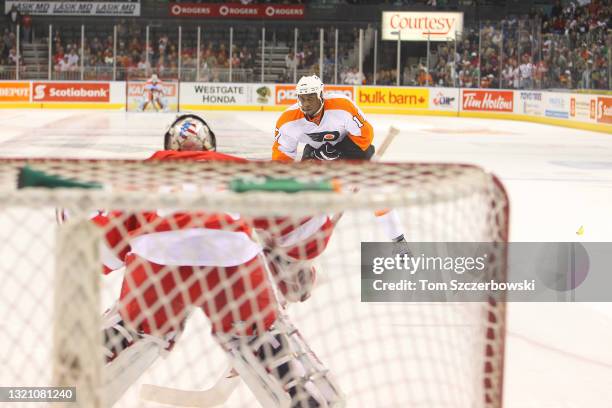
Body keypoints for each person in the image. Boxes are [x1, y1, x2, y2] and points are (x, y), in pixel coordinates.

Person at [96, 113, 344, 408]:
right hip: (233, 258)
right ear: (210, 145)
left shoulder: (148, 170)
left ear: (169, 145)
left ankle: (109, 349)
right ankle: (282, 366)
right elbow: (302, 220)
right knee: (261, 334)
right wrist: (295, 267)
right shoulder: (234, 167)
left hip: (157, 259)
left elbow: (103, 247)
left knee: (131, 322)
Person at [270, 75, 410, 285]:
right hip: (316, 156)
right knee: (311, 206)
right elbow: (281, 160)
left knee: (378, 195)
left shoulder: (342, 106)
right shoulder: (288, 121)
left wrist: (338, 155)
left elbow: (365, 138)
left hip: (352, 150)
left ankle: (400, 244)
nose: (305, 103)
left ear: (321, 95)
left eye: (310, 98)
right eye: (302, 98)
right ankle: (294, 254)